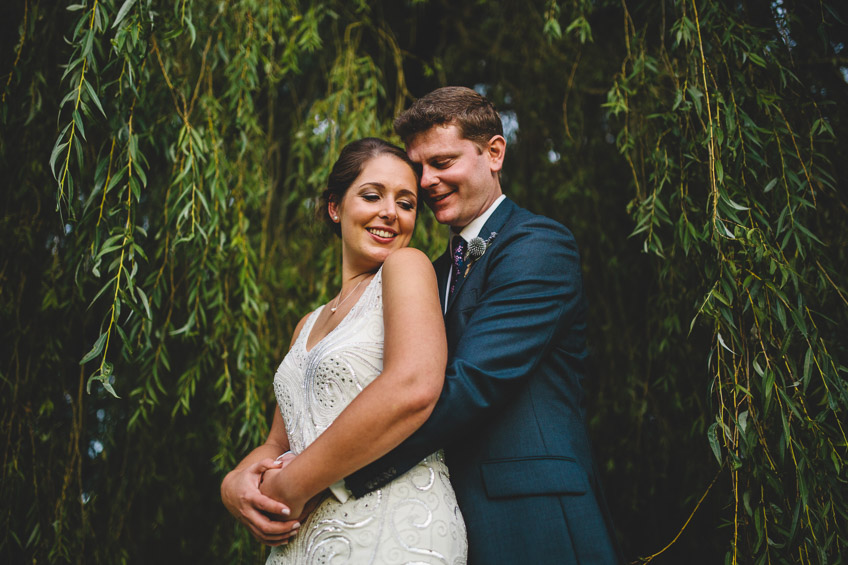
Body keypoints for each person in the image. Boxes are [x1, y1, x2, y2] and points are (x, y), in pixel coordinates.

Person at [340, 87, 622, 563]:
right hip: (443, 523)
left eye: (443, 162)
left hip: (534, 517)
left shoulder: (538, 245)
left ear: (494, 152)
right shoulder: (431, 273)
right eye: (419, 168)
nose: (427, 181)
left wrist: (340, 475)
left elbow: (471, 383)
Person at [220, 138, 467, 564]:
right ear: (335, 207)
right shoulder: (308, 324)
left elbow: (413, 386)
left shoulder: (406, 267)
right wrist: (234, 483)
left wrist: (290, 486)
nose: (390, 212)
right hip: (301, 542)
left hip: (390, 530)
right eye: (372, 195)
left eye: (406, 203)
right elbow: (280, 439)